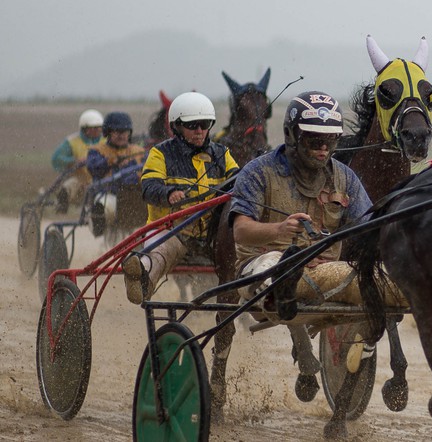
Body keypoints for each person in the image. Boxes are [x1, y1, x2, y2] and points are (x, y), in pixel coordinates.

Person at [230, 91, 404, 398]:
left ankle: (401, 294)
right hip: (261, 267)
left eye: (330, 140)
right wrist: (280, 228)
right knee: (277, 268)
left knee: (383, 281)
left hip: (324, 273)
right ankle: (282, 288)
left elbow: (367, 225)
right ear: (292, 136)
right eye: (314, 140)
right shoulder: (257, 172)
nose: (323, 149)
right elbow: (241, 231)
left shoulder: (345, 178)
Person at [122, 92, 238, 304]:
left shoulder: (222, 154)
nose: (200, 131)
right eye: (193, 125)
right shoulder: (160, 154)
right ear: (177, 126)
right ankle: (141, 278)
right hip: (172, 231)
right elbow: (149, 188)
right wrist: (168, 193)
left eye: (205, 124)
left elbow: (240, 182)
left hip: (212, 237)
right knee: (160, 253)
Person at [85, 112, 148, 233]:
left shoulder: (139, 151)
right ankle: (99, 224)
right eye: (117, 131)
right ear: (108, 132)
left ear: (129, 133)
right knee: (106, 206)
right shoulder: (96, 151)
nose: (122, 135)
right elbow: (94, 169)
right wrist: (111, 162)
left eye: (125, 132)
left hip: (136, 196)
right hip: (108, 194)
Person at [49, 109, 105, 213]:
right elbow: (56, 159)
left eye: (99, 128)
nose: (98, 131)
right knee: (68, 186)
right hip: (79, 180)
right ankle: (61, 208)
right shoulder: (72, 141)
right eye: (94, 128)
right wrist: (73, 161)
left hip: (100, 181)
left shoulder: (105, 141)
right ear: (84, 129)